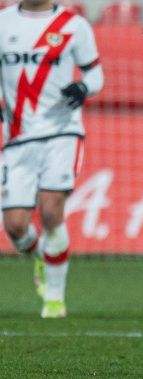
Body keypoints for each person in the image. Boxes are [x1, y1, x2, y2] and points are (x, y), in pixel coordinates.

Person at [0, 0, 103, 318]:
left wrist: (84, 86)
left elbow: (95, 72)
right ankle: (42, 256)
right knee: (16, 227)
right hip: (17, 137)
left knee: (50, 210)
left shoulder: (73, 25)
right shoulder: (3, 22)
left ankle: (54, 301)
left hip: (62, 132)